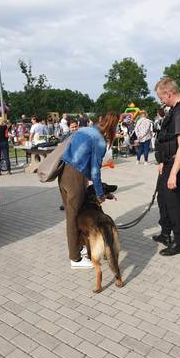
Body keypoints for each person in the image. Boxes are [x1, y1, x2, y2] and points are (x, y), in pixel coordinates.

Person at [59, 112, 119, 268]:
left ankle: (81, 249)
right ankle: (75, 259)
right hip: (76, 178)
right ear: (112, 126)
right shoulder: (99, 140)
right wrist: (100, 194)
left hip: (64, 173)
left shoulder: (84, 130)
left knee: (73, 214)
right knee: (73, 218)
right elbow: (95, 172)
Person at [153, 77, 180, 256]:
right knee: (163, 200)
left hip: (178, 167)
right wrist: (163, 161)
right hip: (169, 163)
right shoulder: (174, 111)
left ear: (169, 93)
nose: (161, 101)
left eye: (161, 97)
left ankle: (179, 242)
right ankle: (165, 234)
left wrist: (173, 174)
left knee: (175, 205)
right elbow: (168, 139)